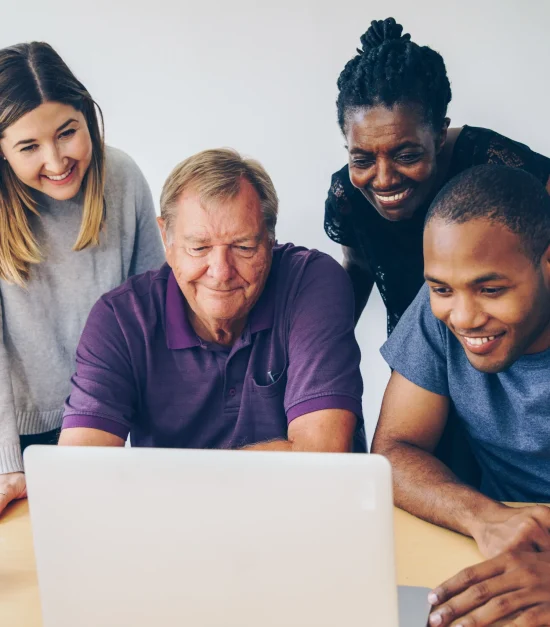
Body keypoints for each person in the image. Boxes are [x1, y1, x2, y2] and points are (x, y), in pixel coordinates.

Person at [58, 148, 365, 455]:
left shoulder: (311, 283)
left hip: (294, 503)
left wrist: (172, 480)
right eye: (199, 247)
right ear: (166, 238)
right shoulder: (120, 319)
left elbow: (320, 455)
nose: (221, 273)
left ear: (270, 239)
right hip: (170, 504)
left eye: (243, 247)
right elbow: (80, 466)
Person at [0, 42, 165, 515]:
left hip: (111, 418)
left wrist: (156, 434)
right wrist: (6, 462)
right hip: (19, 435)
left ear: (86, 117)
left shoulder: (123, 178)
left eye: (66, 133)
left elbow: (152, 309)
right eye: (29, 147)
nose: (55, 161)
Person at [325, 17, 550, 335]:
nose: (384, 179)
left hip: (506, 346)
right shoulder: (348, 195)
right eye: (362, 159)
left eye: (406, 156)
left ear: (440, 135)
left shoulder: (492, 162)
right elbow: (359, 265)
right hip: (419, 352)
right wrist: (329, 347)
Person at [372, 165, 550, 562]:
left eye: (491, 289)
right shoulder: (442, 308)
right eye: (441, 289)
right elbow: (394, 449)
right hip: (499, 545)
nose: (464, 316)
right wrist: (485, 519)